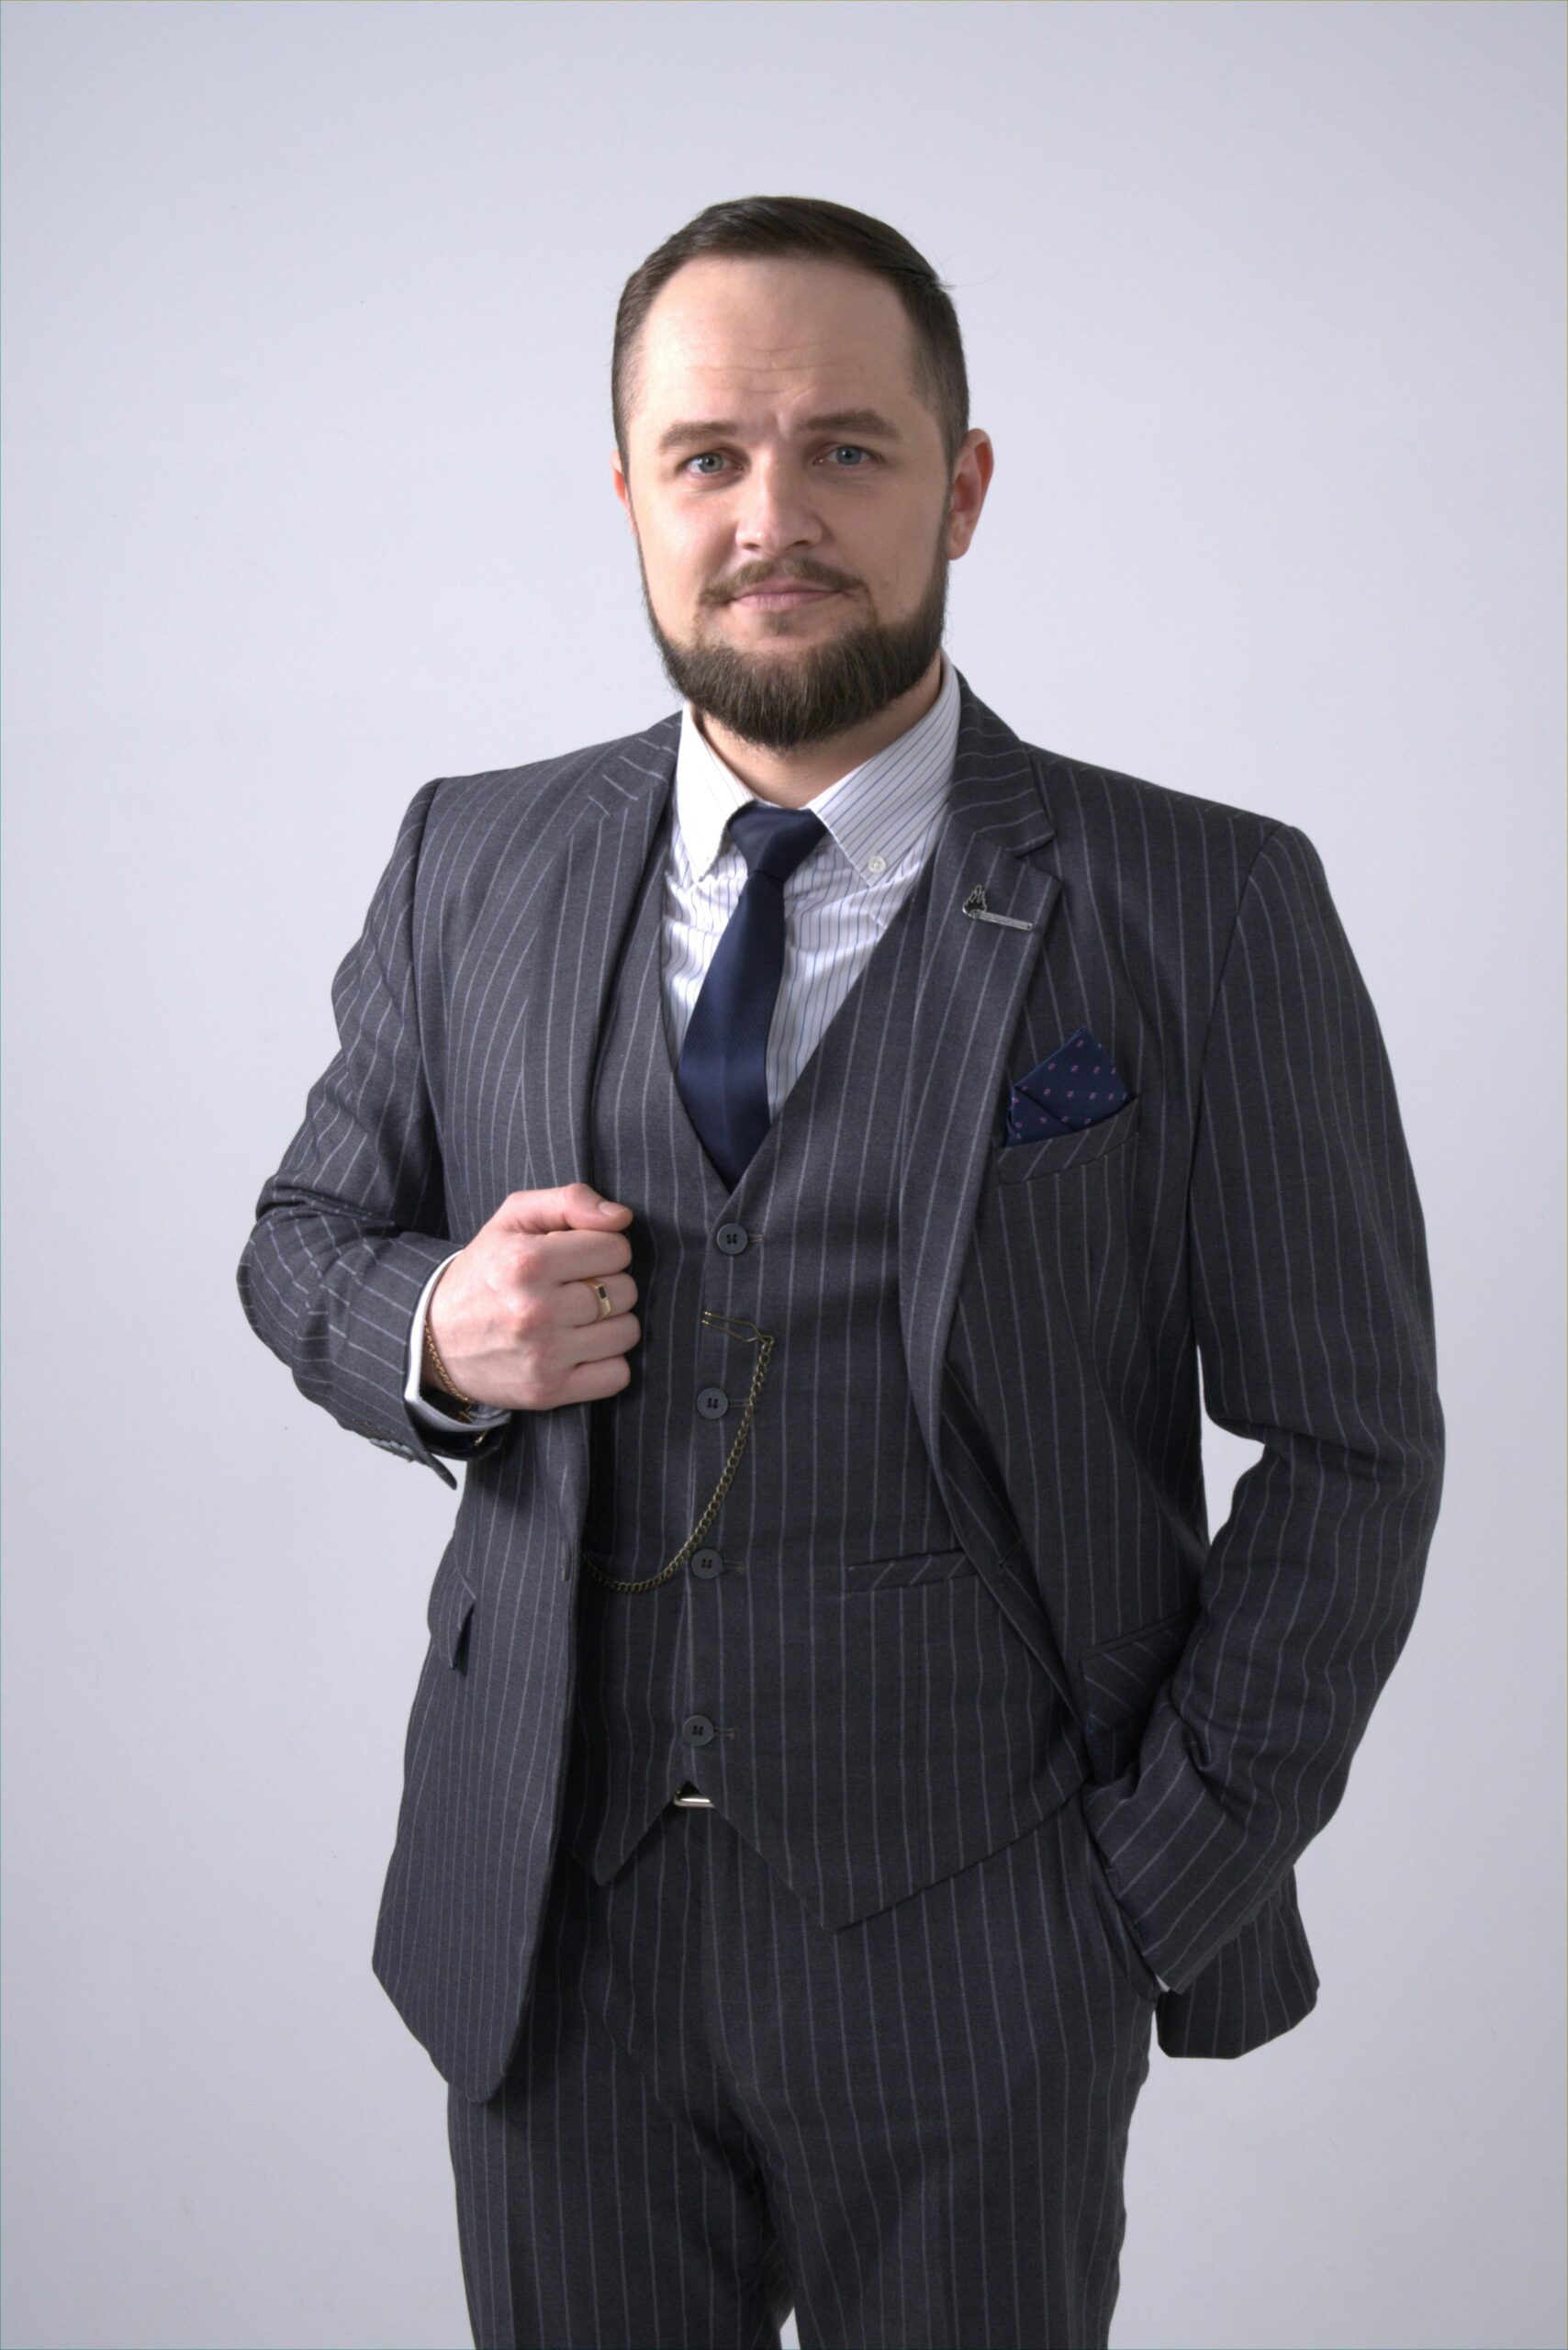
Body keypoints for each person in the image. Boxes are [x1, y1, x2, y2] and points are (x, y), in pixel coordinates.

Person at [238, 194, 1445, 2350]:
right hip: (551, 1934)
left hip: (987, 1941)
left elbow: (1351, 1446)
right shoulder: (469, 856)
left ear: (960, 485)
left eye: (846, 450)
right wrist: (431, 1325)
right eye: (706, 454)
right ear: (626, 491)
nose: (769, 514)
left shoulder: (1206, 902)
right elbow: (297, 1237)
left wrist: (1139, 1888)